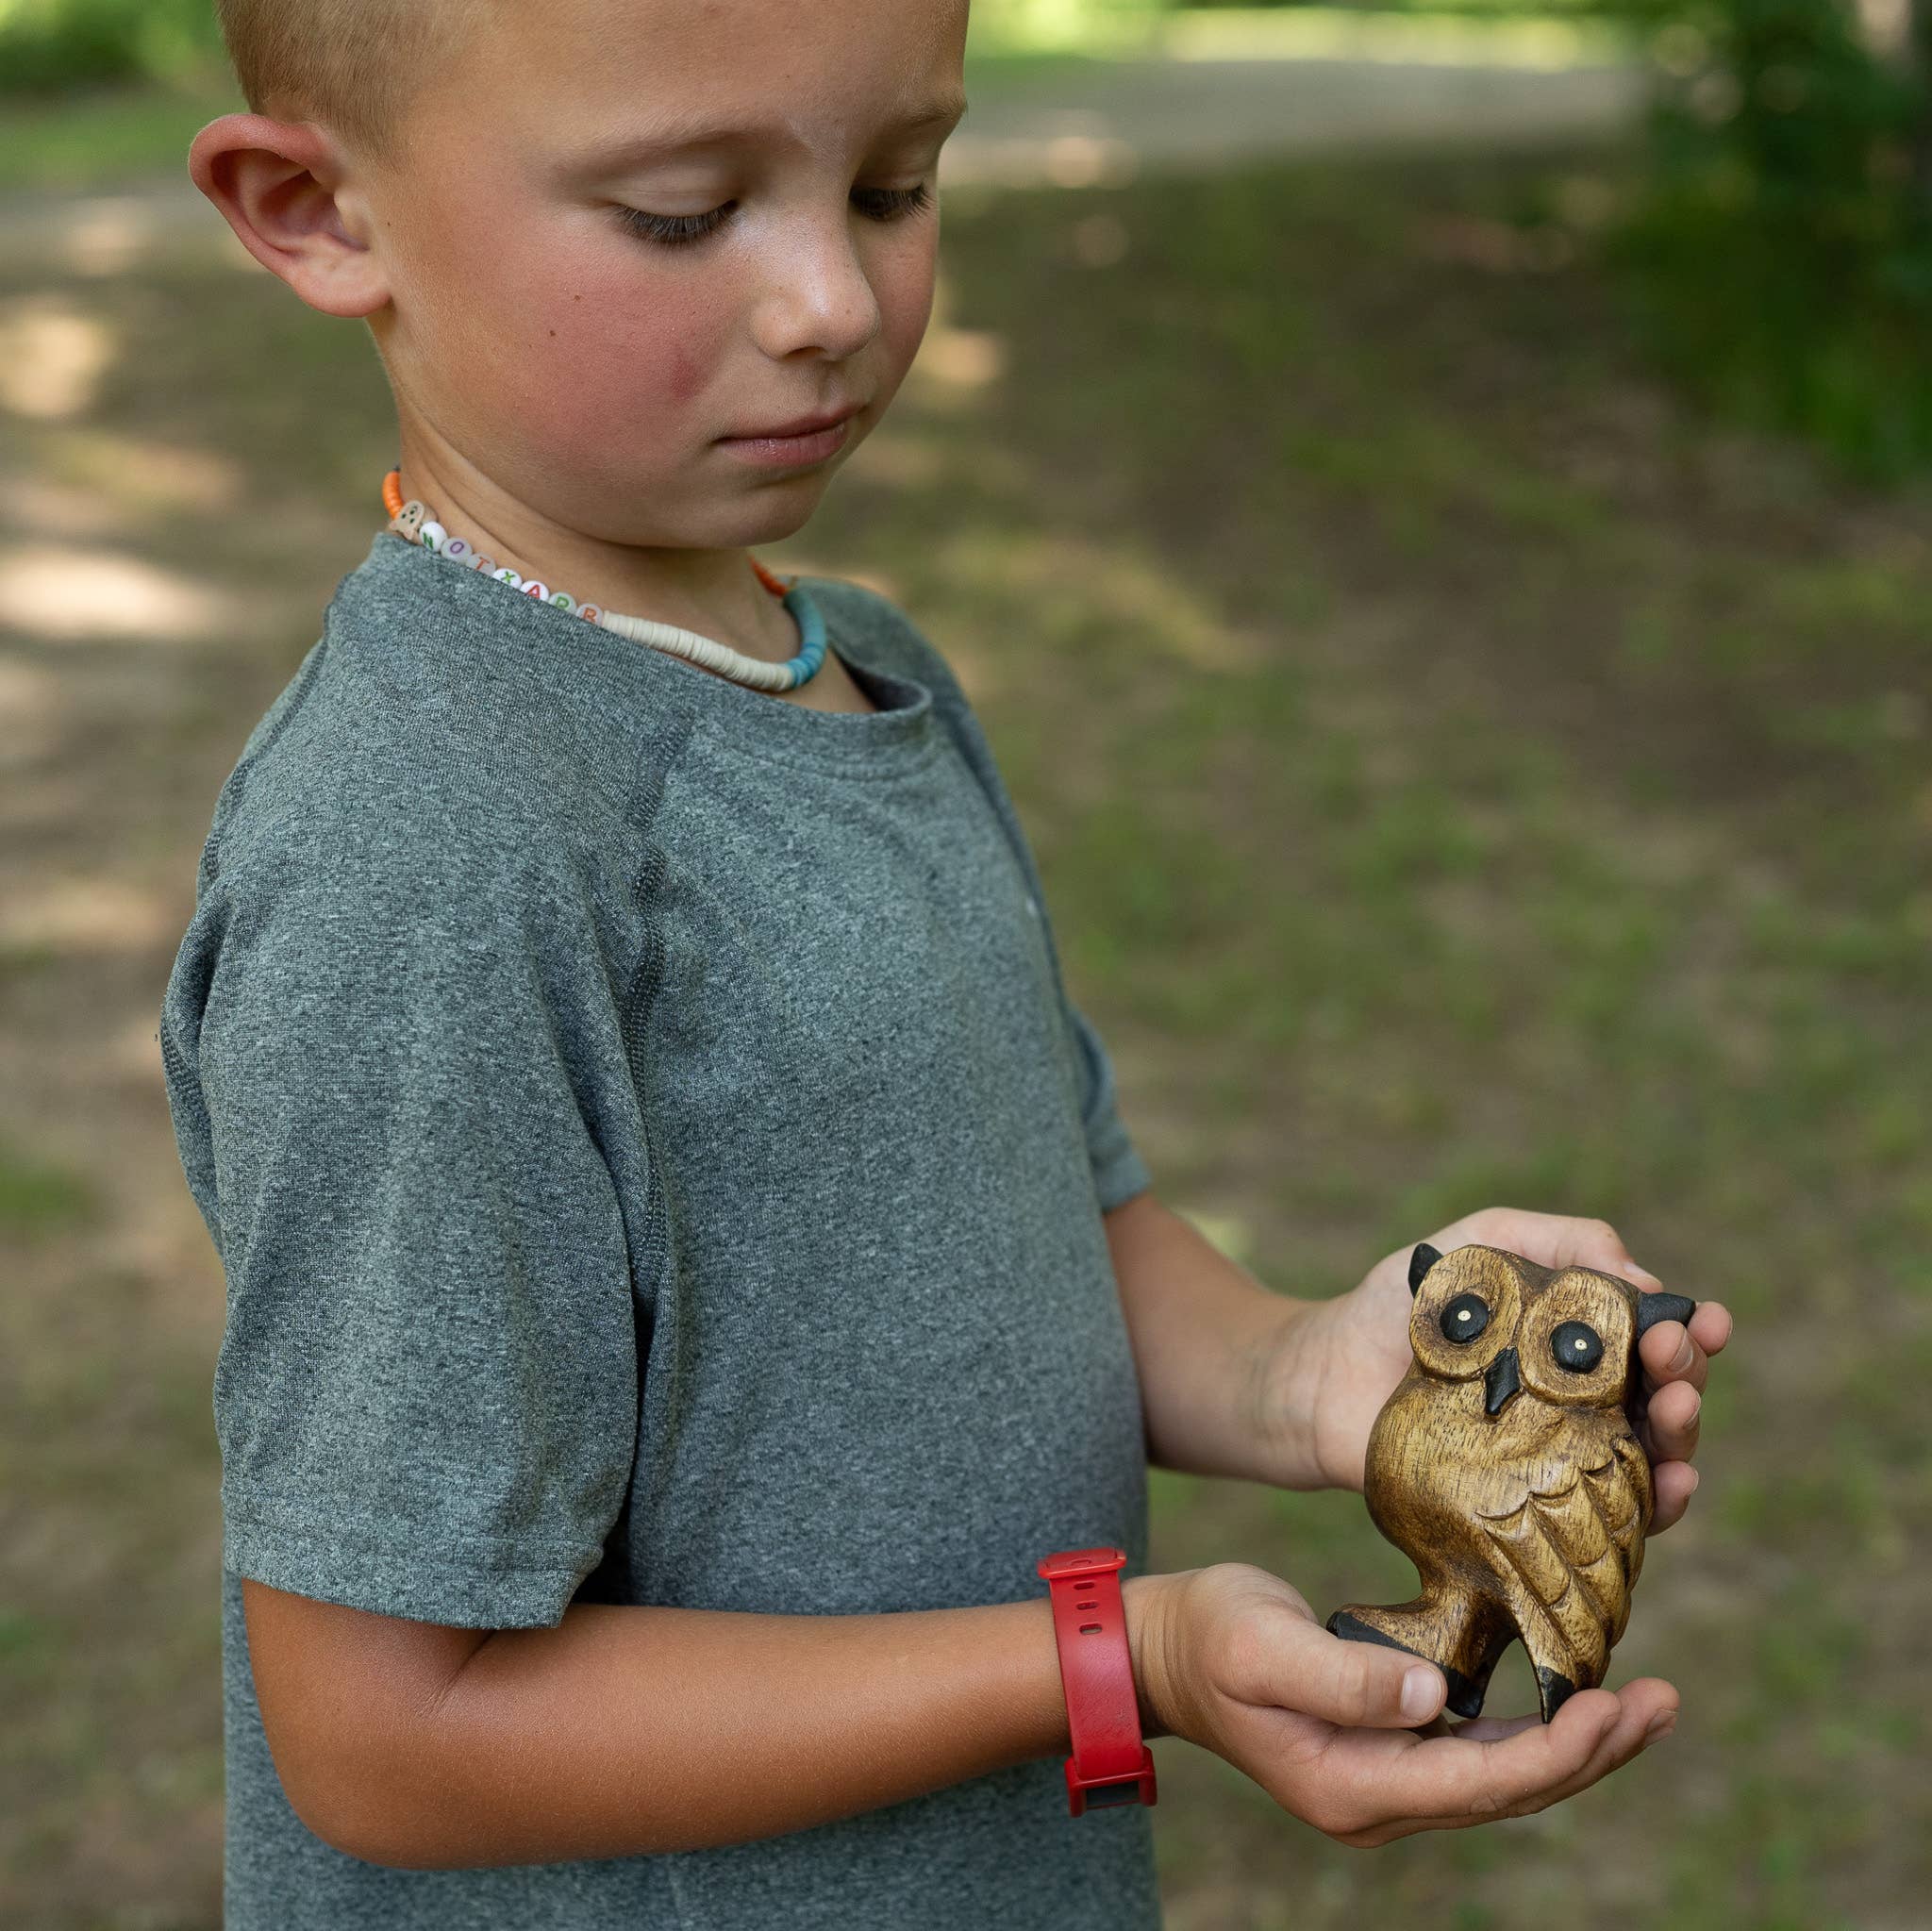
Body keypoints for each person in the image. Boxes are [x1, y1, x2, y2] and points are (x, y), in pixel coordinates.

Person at [158, 0, 1735, 1923]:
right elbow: (393, 1725)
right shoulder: (430, 855)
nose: (834, 295)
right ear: (316, 211)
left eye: (897, 181)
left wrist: (1315, 1376)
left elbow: (1053, 1223)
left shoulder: (863, 668)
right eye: (680, 211)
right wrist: (1113, 1664)